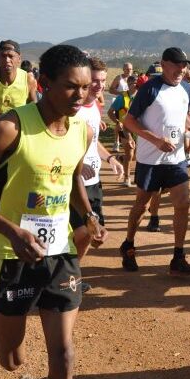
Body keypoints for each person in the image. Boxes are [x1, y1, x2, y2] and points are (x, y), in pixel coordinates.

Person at [0, 44, 107, 379]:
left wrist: (88, 215)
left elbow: (71, 178)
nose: (80, 95)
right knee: (12, 360)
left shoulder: (82, 131)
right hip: (11, 254)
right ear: (44, 83)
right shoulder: (9, 127)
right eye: (71, 86)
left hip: (60, 253)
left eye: (86, 87)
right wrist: (12, 231)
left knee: (65, 356)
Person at [118, 47, 190, 276]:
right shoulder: (150, 89)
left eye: (184, 65)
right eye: (177, 65)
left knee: (183, 204)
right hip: (150, 159)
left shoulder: (186, 88)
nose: (181, 69)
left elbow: (185, 116)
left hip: (176, 158)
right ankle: (129, 244)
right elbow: (129, 121)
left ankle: (178, 257)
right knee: (141, 205)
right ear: (164, 64)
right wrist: (156, 140)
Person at [71, 57, 124, 259]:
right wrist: (78, 164)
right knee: (79, 232)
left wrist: (110, 158)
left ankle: (72, 275)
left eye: (103, 80)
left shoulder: (94, 106)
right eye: (95, 80)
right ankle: (61, 277)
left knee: (92, 235)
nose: (99, 85)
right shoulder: (72, 110)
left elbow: (94, 143)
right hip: (73, 184)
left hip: (94, 181)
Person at [108, 74, 143, 187]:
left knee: (136, 155)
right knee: (130, 152)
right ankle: (127, 178)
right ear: (128, 84)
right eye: (133, 83)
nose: (136, 85)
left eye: (137, 83)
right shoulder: (122, 97)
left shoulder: (141, 96)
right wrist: (118, 122)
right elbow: (110, 112)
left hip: (137, 128)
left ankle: (120, 158)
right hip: (124, 128)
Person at [108, 62, 135, 152]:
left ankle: (128, 141)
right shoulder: (119, 78)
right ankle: (116, 142)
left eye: (130, 69)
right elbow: (111, 89)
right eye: (127, 69)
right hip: (119, 102)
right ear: (123, 69)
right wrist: (121, 93)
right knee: (119, 122)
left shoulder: (133, 79)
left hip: (129, 102)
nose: (129, 71)